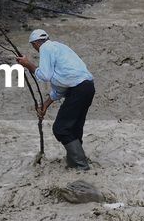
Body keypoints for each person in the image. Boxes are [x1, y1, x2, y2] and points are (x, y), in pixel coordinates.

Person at [15, 29, 94, 170]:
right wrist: (45, 105)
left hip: (77, 90)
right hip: (87, 88)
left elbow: (45, 75)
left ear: (35, 44)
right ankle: (74, 165)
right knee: (74, 129)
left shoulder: (46, 48)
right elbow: (60, 86)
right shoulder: (60, 48)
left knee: (60, 129)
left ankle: (82, 167)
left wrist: (28, 65)